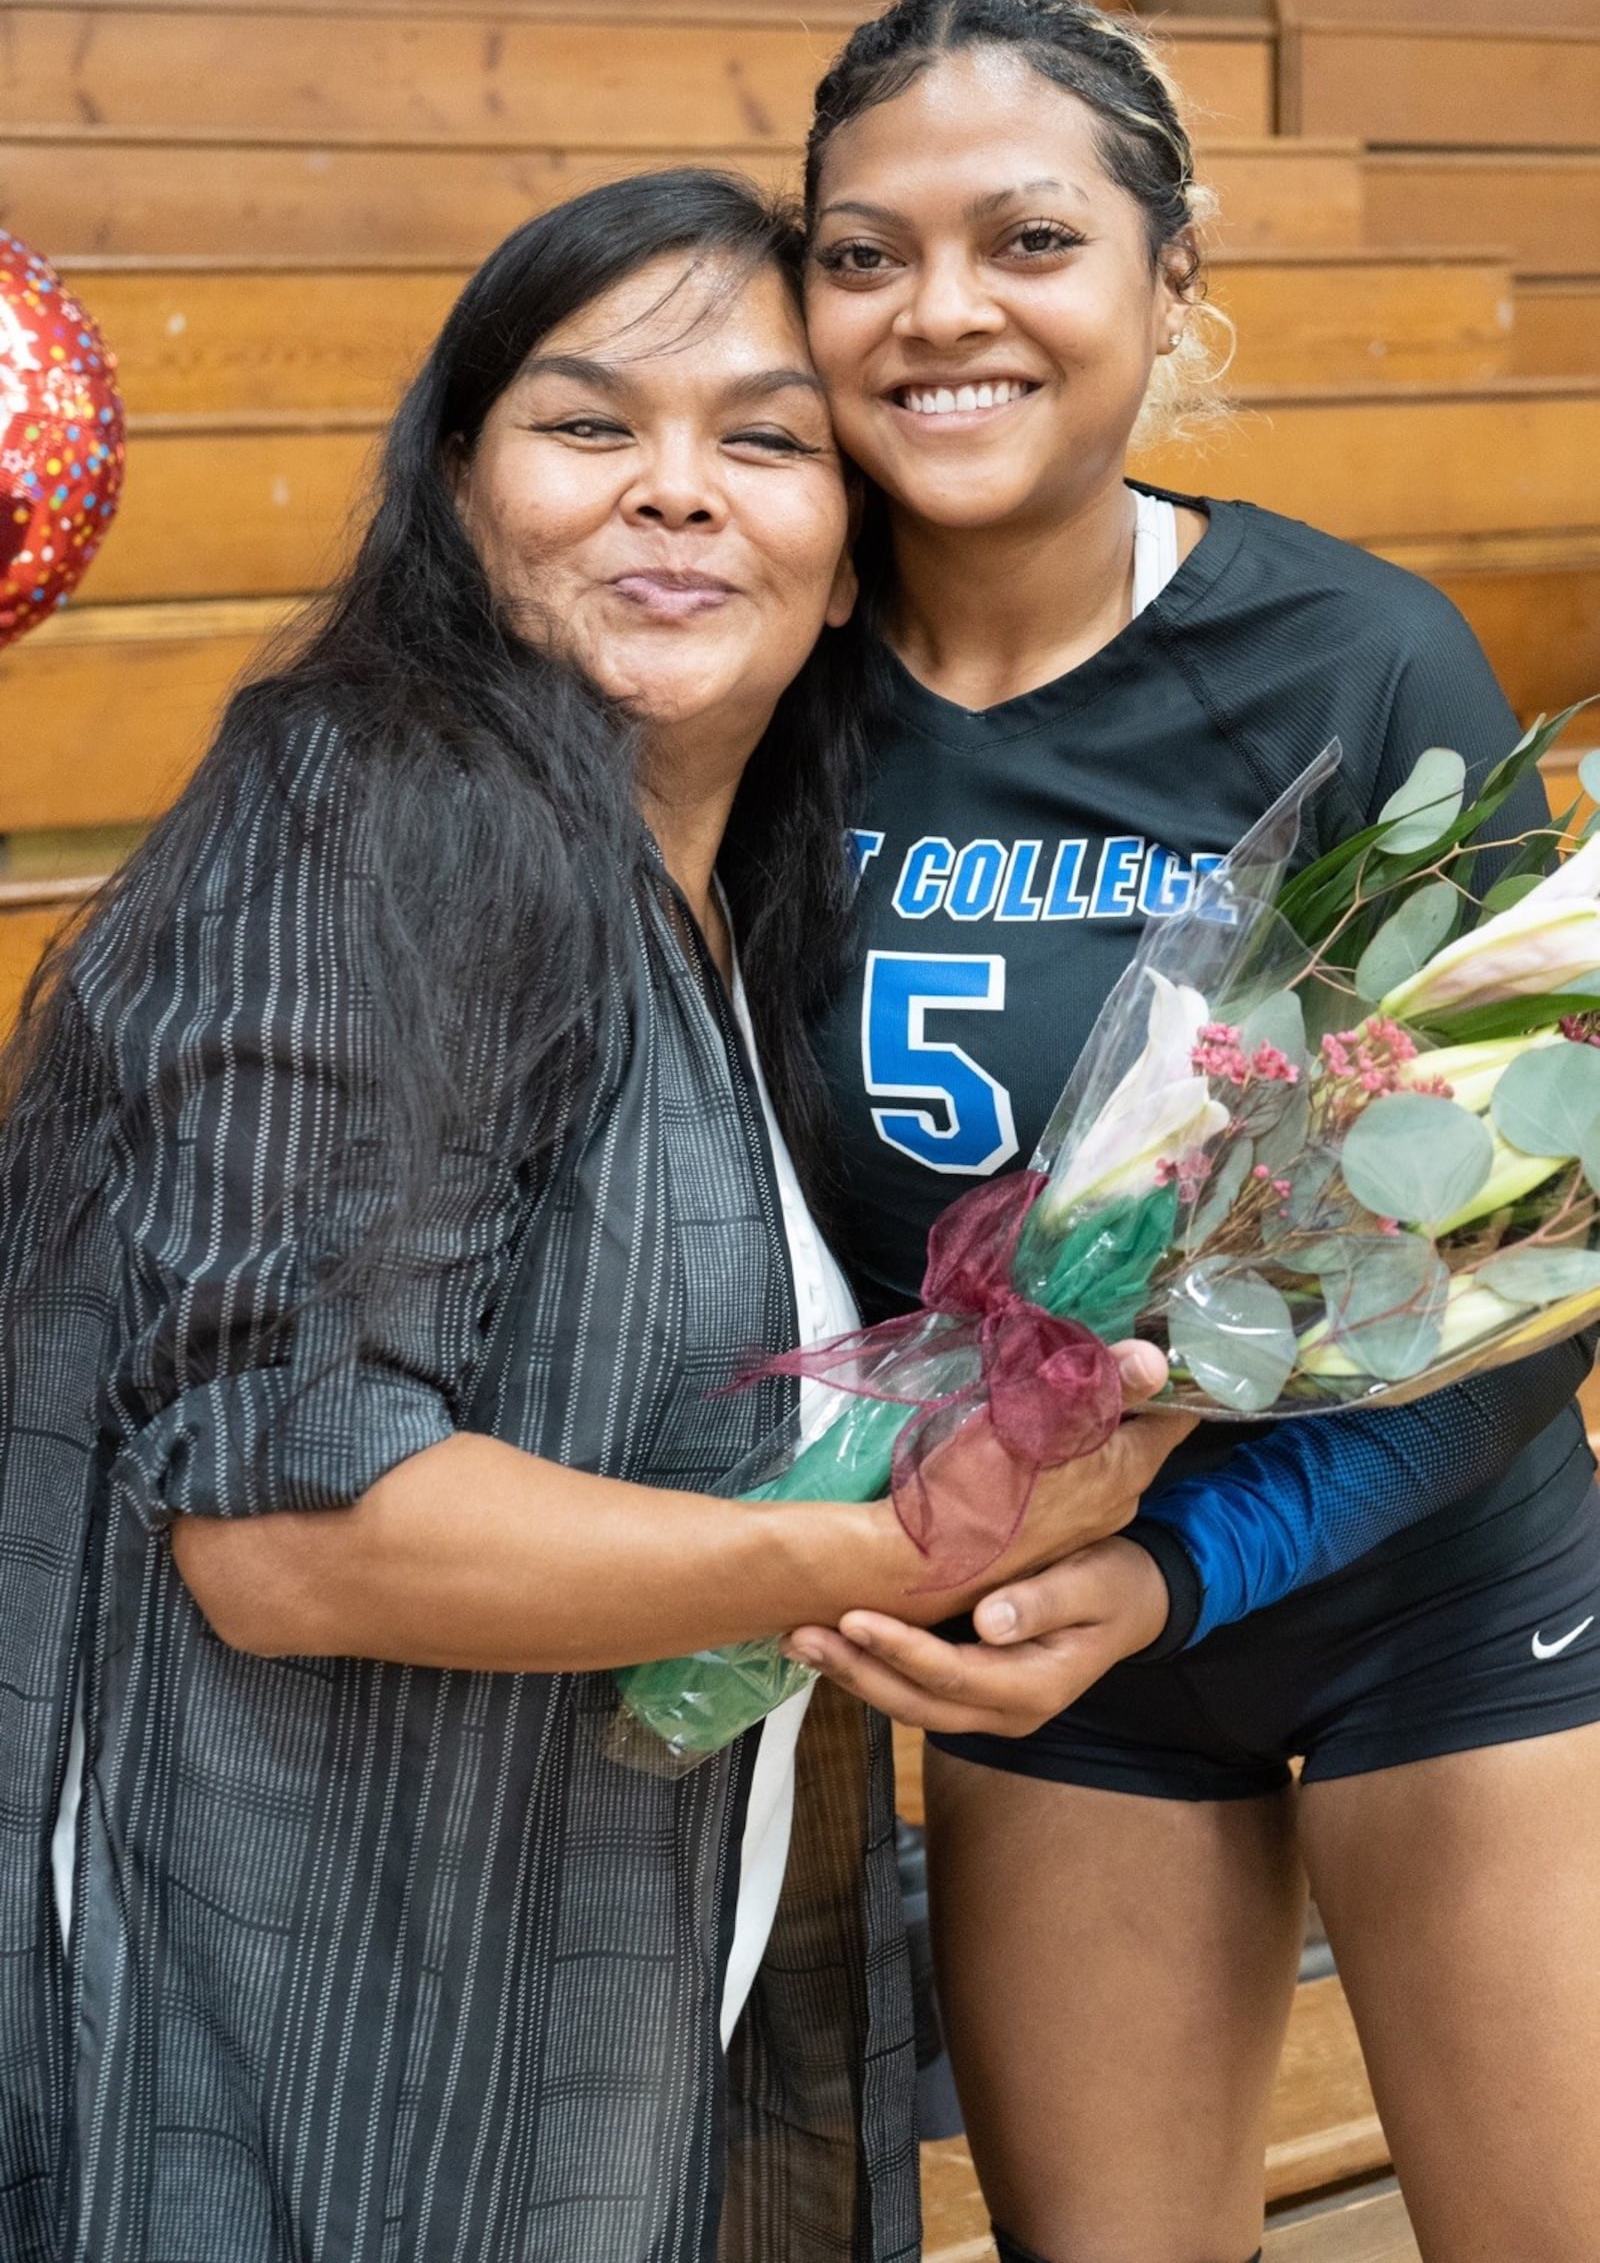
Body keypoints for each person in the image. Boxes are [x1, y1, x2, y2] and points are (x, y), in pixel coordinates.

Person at [0, 167, 1189, 2263]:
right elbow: (288, 1529)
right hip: (306, 2069)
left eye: (761, 439)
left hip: (578, 2032)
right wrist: (878, 1548)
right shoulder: (381, 807)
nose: (674, 492)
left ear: (847, 564)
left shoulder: (717, 914)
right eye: (584, 426)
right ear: (457, 498)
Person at [782, 0, 1600, 2263]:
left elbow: (1523, 1264)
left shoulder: (1357, 659)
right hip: (1036, 1640)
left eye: (1026, 240)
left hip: (1432, 1590)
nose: (940, 311)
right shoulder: (750, 690)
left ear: (1168, 281)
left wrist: (1177, 1560)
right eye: (862, 254)